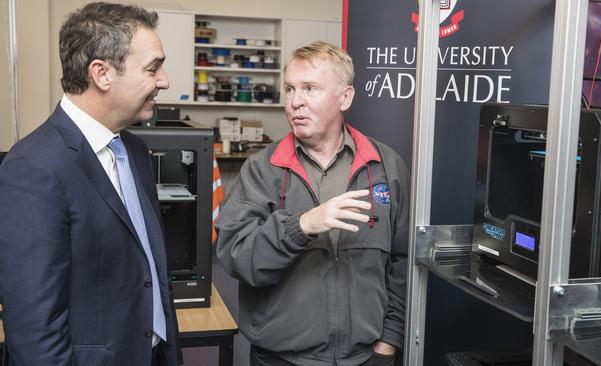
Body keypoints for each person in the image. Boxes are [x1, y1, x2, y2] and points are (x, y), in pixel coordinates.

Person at [0, 3, 181, 365]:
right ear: (101, 74)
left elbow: (147, 272)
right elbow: (35, 330)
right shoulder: (33, 167)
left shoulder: (135, 149)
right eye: (153, 67)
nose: (164, 80)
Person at [216, 41, 410, 366]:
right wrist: (302, 226)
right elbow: (236, 258)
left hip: (366, 357)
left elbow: (403, 261)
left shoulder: (385, 165)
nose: (295, 102)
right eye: (290, 89)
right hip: (281, 357)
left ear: (345, 97)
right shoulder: (263, 169)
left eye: (310, 89)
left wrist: (389, 340)